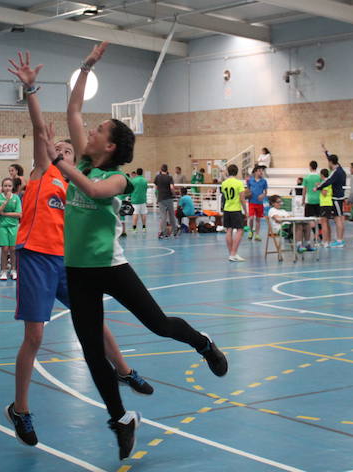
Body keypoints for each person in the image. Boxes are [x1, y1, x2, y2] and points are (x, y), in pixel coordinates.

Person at [34, 42, 227, 460]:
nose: (90, 131)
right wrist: (84, 67)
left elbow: (92, 190)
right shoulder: (83, 159)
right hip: (78, 270)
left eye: (98, 130)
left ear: (110, 147)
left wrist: (59, 163)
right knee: (90, 351)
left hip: (110, 268)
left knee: (157, 324)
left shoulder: (118, 180)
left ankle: (203, 343)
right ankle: (121, 419)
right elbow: (73, 111)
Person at [5, 47, 156, 449]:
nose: (69, 151)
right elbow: (41, 129)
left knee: (94, 319)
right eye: (63, 151)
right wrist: (32, 91)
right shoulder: (43, 173)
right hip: (36, 256)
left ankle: (123, 369)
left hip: (69, 261)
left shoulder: (79, 177)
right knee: (35, 337)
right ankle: (20, 409)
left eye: (73, 151)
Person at [316, 143, 347, 247]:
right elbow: (331, 158)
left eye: (328, 161)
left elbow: (328, 181)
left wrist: (318, 187)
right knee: (339, 218)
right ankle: (339, 240)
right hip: (339, 196)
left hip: (337, 197)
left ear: (330, 162)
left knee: (338, 219)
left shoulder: (336, 172)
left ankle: (339, 241)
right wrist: (325, 151)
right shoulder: (340, 168)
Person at [0, 177, 22, 281]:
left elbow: (19, 214)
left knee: (13, 249)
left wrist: (4, 213)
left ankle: (13, 269)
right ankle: (3, 270)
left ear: (12, 187)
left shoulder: (16, 198)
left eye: (9, 186)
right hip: (1, 226)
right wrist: (5, 202)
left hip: (13, 226)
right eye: (5, 186)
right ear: (2, 187)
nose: (7, 188)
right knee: (5, 249)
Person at [221, 163, 248, 262]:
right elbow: (242, 199)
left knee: (229, 230)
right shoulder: (239, 183)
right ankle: (233, 253)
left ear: (228, 172)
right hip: (235, 209)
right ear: (237, 172)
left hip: (227, 209)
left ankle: (232, 254)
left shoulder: (224, 183)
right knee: (240, 230)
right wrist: (246, 211)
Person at [299, 161, 322, 253]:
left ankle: (315, 234)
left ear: (310, 167)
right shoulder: (319, 177)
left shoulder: (307, 177)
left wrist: (303, 200)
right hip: (319, 200)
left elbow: (304, 190)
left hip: (310, 200)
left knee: (310, 220)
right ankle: (320, 236)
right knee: (319, 219)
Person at [154, 164, 177, 238]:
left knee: (163, 216)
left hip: (161, 198)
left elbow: (155, 188)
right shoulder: (169, 177)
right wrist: (174, 194)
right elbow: (171, 187)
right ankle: (174, 231)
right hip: (169, 198)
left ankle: (164, 232)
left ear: (161, 170)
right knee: (171, 215)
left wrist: (157, 197)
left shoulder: (157, 177)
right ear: (167, 170)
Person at [246, 165, 268, 241]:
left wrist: (263, 195)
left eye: (262, 171)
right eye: (259, 170)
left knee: (258, 219)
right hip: (251, 202)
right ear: (255, 172)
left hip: (259, 203)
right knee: (251, 218)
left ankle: (257, 235)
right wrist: (247, 194)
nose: (261, 172)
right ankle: (251, 231)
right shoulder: (250, 180)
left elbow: (266, 192)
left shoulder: (264, 181)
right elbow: (248, 190)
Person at [318, 168, 334, 245]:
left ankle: (324, 241)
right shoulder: (328, 182)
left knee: (323, 223)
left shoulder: (325, 182)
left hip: (325, 204)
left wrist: (319, 187)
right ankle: (329, 240)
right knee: (326, 223)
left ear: (322, 175)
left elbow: (324, 193)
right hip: (327, 204)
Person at [129, 168, 148, 233]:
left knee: (135, 214)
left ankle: (134, 228)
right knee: (143, 213)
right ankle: (144, 228)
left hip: (135, 199)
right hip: (143, 199)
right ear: (142, 173)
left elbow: (130, 189)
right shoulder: (145, 180)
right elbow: (146, 189)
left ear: (136, 173)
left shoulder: (133, 180)